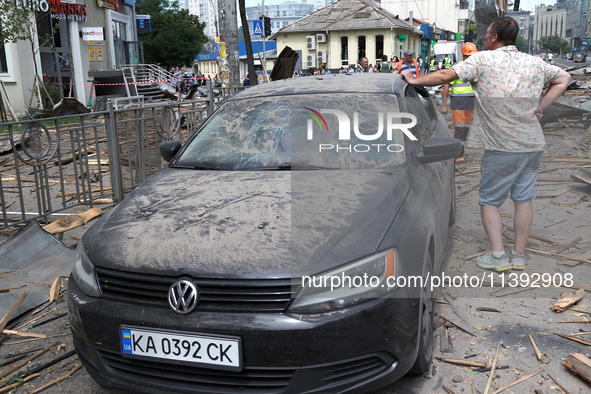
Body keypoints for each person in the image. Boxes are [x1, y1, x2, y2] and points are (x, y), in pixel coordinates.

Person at [401, 17, 571, 272]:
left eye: (486, 34)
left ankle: (498, 256)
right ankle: (519, 256)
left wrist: (413, 81)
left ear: (493, 37)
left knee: (490, 201)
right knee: (523, 199)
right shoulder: (535, 63)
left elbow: (446, 75)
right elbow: (565, 77)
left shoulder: (482, 60)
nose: (483, 39)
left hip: (502, 146)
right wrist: (541, 106)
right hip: (533, 144)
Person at [441, 42, 478, 163]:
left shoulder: (475, 70)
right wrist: (444, 105)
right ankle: (458, 155)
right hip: (458, 102)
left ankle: (458, 151)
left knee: (465, 129)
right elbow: (446, 86)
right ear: (464, 56)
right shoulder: (457, 69)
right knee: (460, 129)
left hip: (469, 103)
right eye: (470, 56)